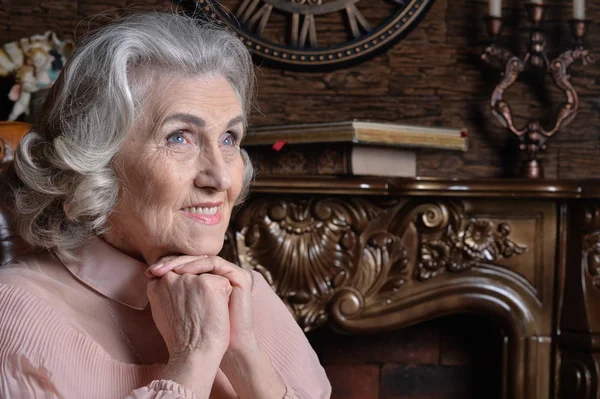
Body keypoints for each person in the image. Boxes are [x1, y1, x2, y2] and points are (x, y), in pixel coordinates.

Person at [0, 12, 331, 399]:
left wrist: (245, 359)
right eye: (179, 138)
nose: (221, 179)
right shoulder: (15, 314)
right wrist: (195, 356)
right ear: (92, 159)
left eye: (229, 138)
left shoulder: (249, 296)